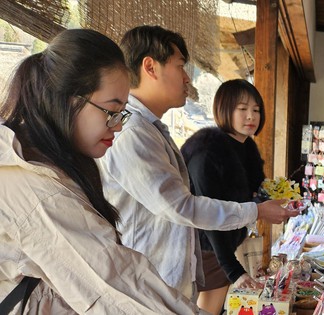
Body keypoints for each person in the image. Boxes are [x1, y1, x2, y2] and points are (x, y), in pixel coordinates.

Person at [0, 29, 200, 314]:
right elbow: (114, 285)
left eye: (122, 112)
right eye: (111, 110)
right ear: (68, 99)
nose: (118, 125)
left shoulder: (40, 160)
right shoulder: (34, 186)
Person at [96, 25, 298, 300]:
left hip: (162, 281)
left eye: (255, 110)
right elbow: (182, 206)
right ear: (150, 67)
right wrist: (257, 212)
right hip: (148, 286)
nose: (187, 78)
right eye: (180, 66)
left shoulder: (150, 128)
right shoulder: (133, 133)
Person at [180, 79, 266, 314]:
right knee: (208, 310)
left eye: (256, 110)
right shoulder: (207, 152)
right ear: (224, 109)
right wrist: (232, 269)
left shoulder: (246, 148)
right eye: (242, 109)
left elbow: (246, 196)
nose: (251, 116)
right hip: (206, 249)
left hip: (225, 245)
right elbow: (208, 215)